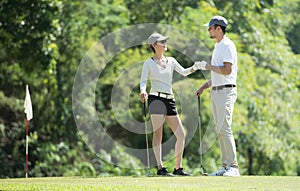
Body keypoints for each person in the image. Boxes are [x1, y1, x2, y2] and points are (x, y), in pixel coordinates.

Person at [140, 32, 205, 176]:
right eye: (161, 42)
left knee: (181, 134)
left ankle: (178, 168)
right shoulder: (148, 63)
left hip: (170, 99)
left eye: (165, 41)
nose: (165, 44)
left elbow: (184, 72)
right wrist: (143, 91)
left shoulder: (171, 61)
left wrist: (195, 67)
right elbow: (143, 81)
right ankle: (160, 168)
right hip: (155, 99)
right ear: (153, 45)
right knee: (158, 134)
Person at [195, 16, 240, 176]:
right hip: (217, 90)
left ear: (218, 28)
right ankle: (225, 166)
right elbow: (217, 74)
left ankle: (233, 167)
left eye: (210, 28)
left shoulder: (227, 45)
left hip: (226, 91)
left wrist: (206, 66)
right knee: (220, 129)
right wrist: (203, 87)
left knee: (225, 127)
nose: (209, 30)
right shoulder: (218, 46)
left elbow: (227, 70)